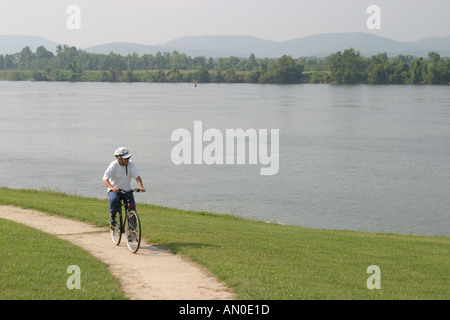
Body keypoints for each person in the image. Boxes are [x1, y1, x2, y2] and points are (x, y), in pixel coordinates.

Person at [102, 147, 146, 226]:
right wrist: (112, 187)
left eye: (128, 158)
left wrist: (141, 187)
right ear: (119, 159)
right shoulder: (113, 165)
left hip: (127, 191)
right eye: (125, 158)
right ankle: (112, 215)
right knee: (114, 200)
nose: (127, 159)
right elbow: (105, 179)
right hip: (115, 190)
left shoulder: (130, 164)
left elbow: (137, 176)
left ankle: (132, 232)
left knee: (132, 210)